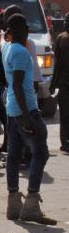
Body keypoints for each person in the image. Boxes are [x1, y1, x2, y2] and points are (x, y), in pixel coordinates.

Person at [2, 14, 56, 225]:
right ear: (18, 30)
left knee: (14, 155)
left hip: (12, 108)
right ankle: (32, 202)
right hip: (25, 109)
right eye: (25, 26)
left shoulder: (7, 48)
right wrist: (27, 117)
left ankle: (14, 201)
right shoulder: (21, 51)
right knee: (40, 153)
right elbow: (17, 84)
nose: (27, 29)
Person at [50, 17, 69, 153]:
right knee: (64, 113)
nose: (66, 24)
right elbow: (57, 63)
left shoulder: (62, 38)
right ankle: (65, 141)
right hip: (64, 83)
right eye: (66, 21)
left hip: (63, 82)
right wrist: (53, 83)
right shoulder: (61, 38)